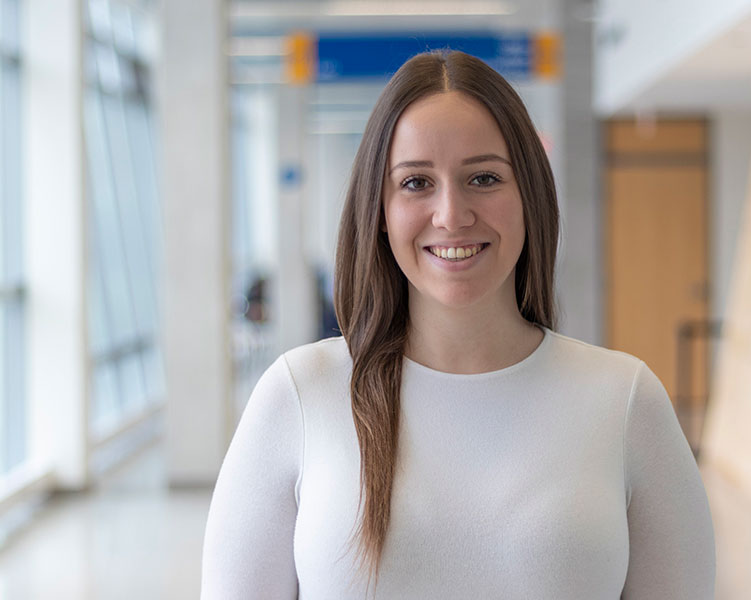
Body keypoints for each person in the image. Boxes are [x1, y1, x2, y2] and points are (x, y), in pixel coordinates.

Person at [200, 49, 716, 600]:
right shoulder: (301, 395)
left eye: (484, 177)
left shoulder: (625, 400)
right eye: (417, 183)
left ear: (530, 196)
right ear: (378, 210)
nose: (451, 214)